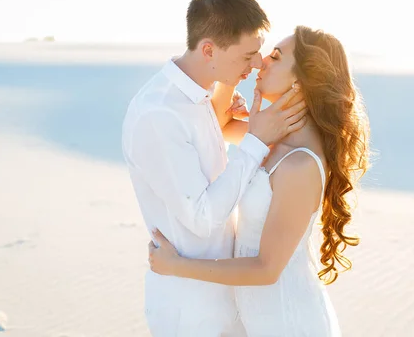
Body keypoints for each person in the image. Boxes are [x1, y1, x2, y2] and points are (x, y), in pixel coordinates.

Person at [148, 26, 371, 336]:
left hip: (289, 324)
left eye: (275, 57)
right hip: (259, 323)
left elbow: (267, 268)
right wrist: (232, 77)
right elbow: (219, 123)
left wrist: (177, 266)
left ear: (301, 80)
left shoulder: (299, 164)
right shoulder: (273, 136)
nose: (262, 61)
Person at [121, 0, 307, 336]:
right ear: (209, 49)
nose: (257, 64)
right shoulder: (159, 114)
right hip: (192, 312)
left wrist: (224, 108)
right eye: (247, 55)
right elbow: (203, 218)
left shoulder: (199, 97)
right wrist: (254, 140)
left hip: (227, 302)